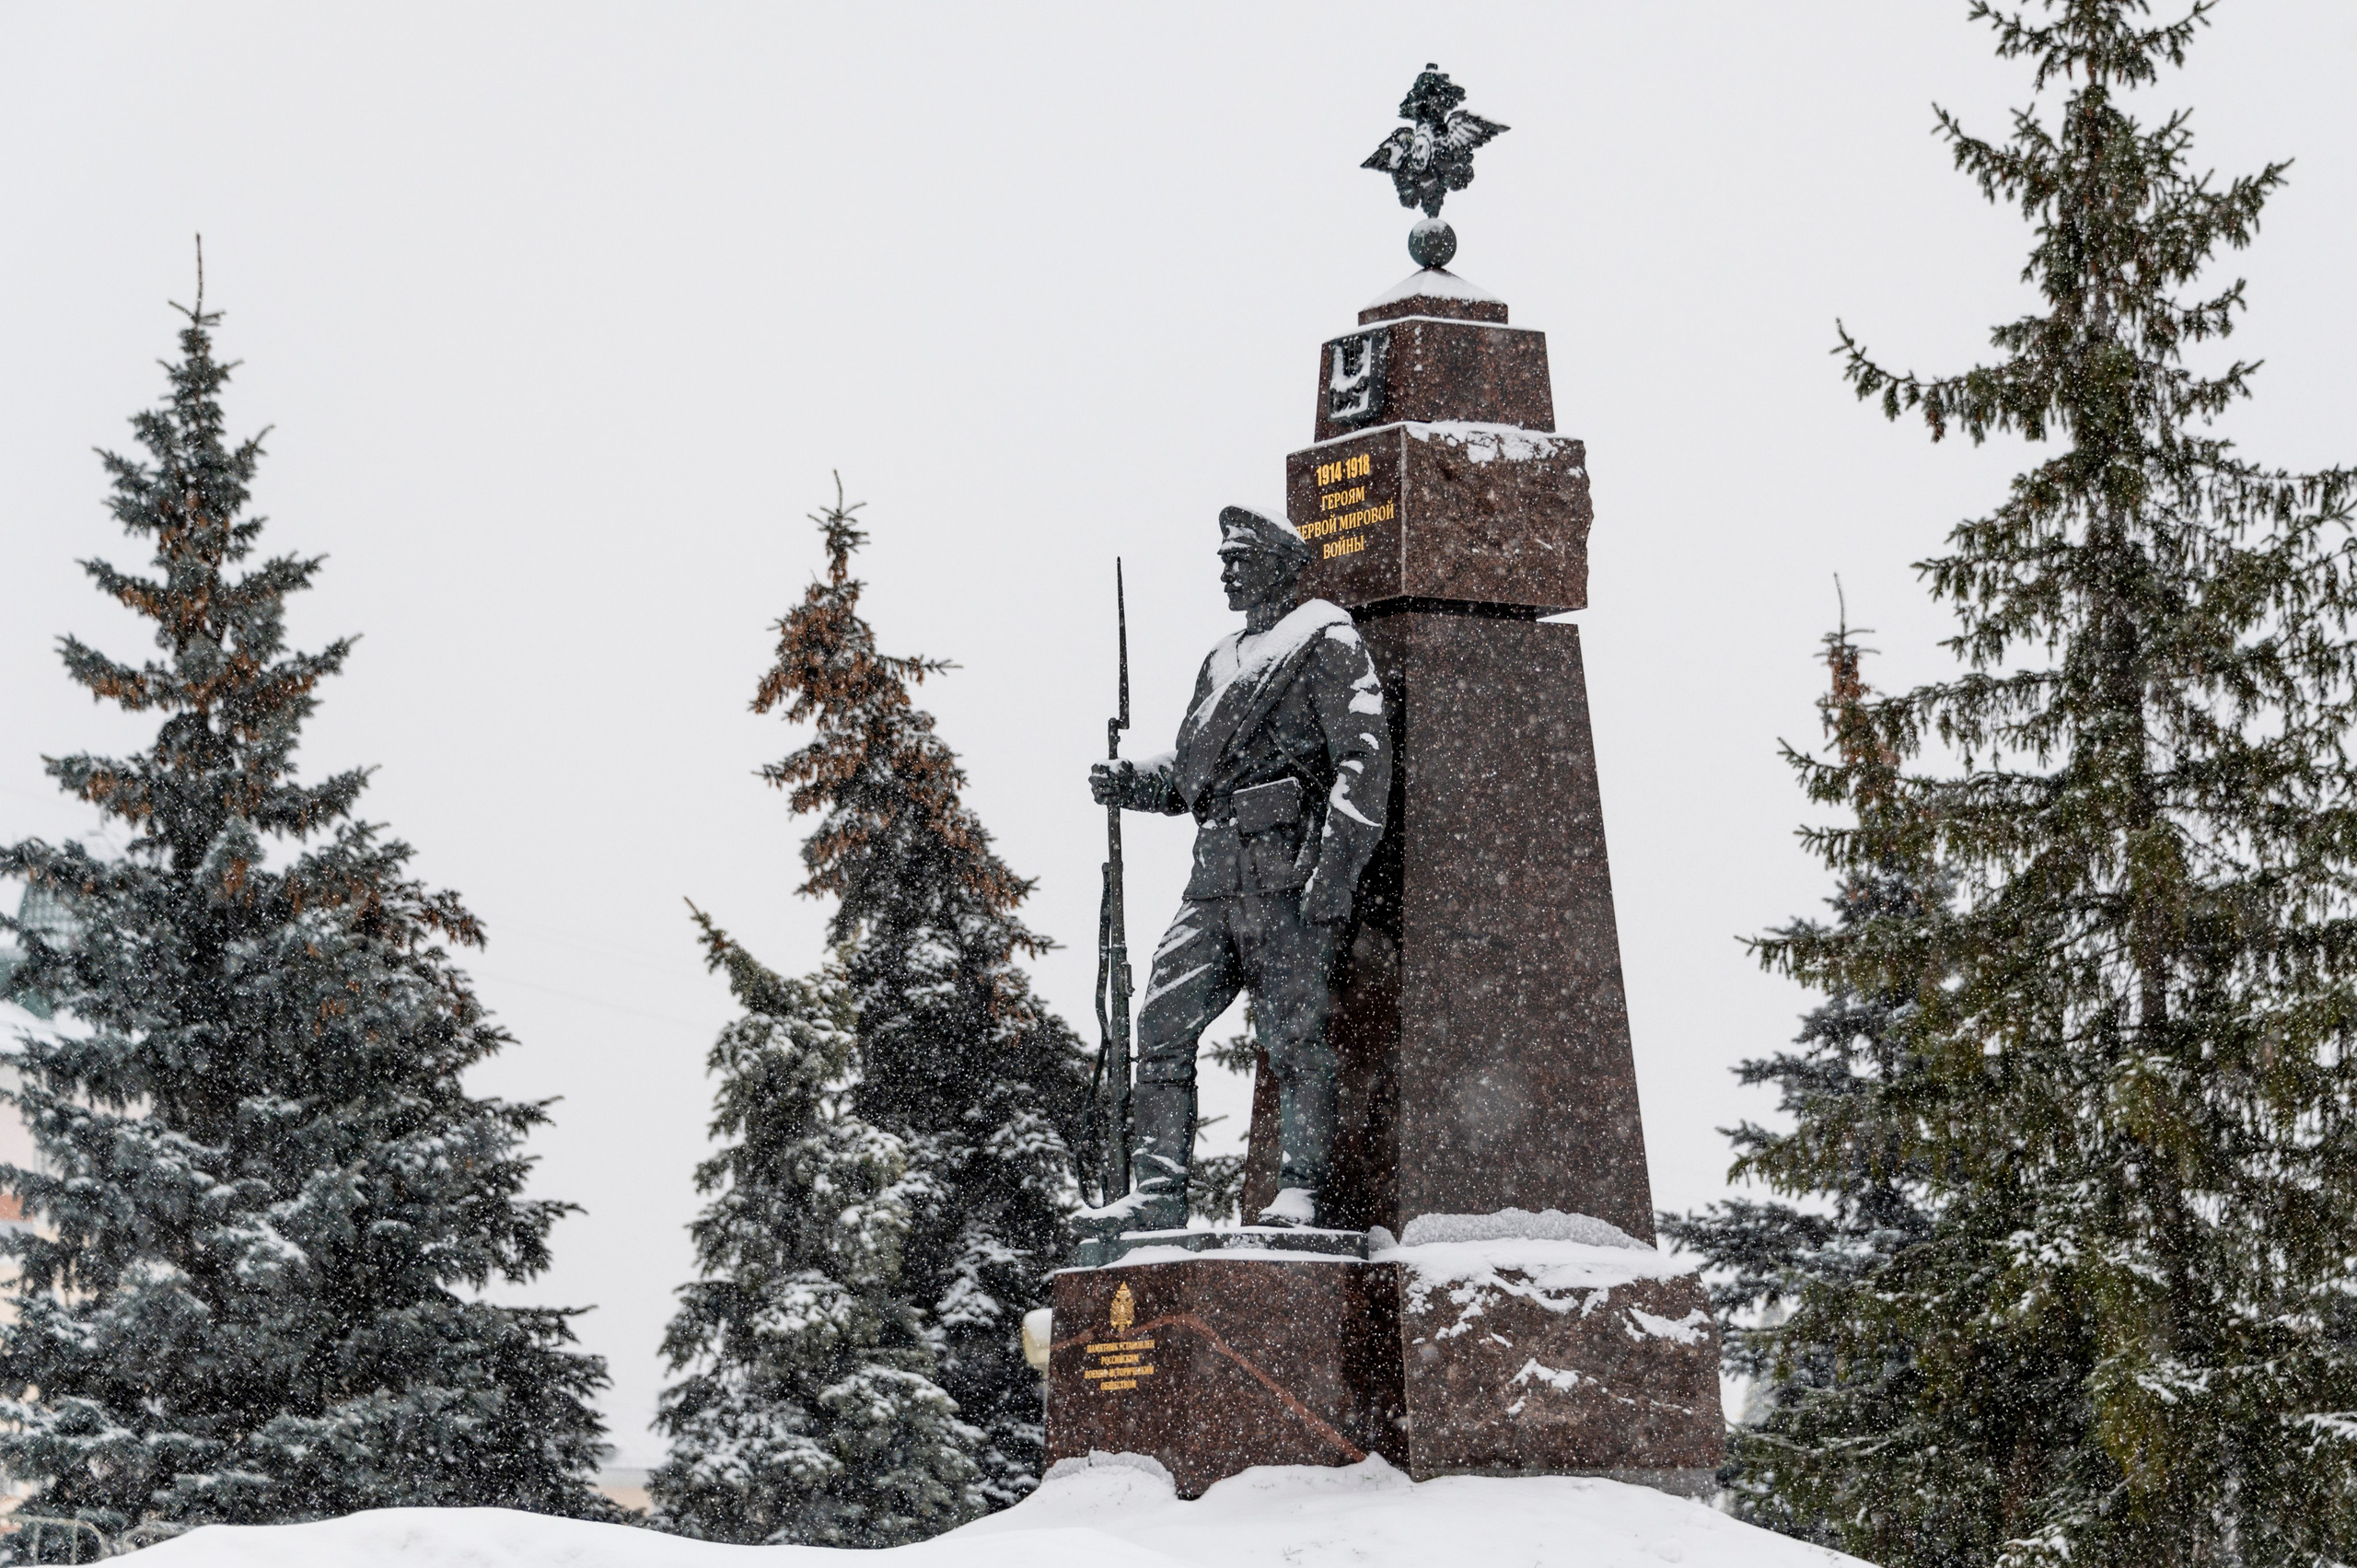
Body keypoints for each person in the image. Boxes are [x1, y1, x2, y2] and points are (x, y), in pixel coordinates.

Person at [1078, 505, 1390, 1239]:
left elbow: (1364, 759)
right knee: (1159, 1020)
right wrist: (1132, 779)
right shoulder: (1221, 660)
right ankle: (1157, 1194)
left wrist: (1336, 869)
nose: (1226, 568)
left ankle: (1300, 1189)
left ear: (1280, 562)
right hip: (1214, 876)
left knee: (1293, 1036)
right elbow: (1193, 779)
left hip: (1286, 872)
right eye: (1222, 557)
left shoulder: (1325, 640)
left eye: (1240, 556)